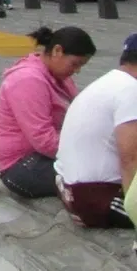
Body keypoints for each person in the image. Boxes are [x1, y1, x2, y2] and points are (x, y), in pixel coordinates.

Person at [0, 26, 95, 199]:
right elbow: (43, 139)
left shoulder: (60, 77)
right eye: (75, 64)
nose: (77, 71)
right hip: (21, 165)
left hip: (47, 156)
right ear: (57, 51)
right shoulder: (27, 80)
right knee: (99, 179)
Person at [54, 31, 137, 229]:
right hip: (97, 195)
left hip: (71, 189)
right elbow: (130, 158)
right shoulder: (131, 91)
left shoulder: (110, 82)